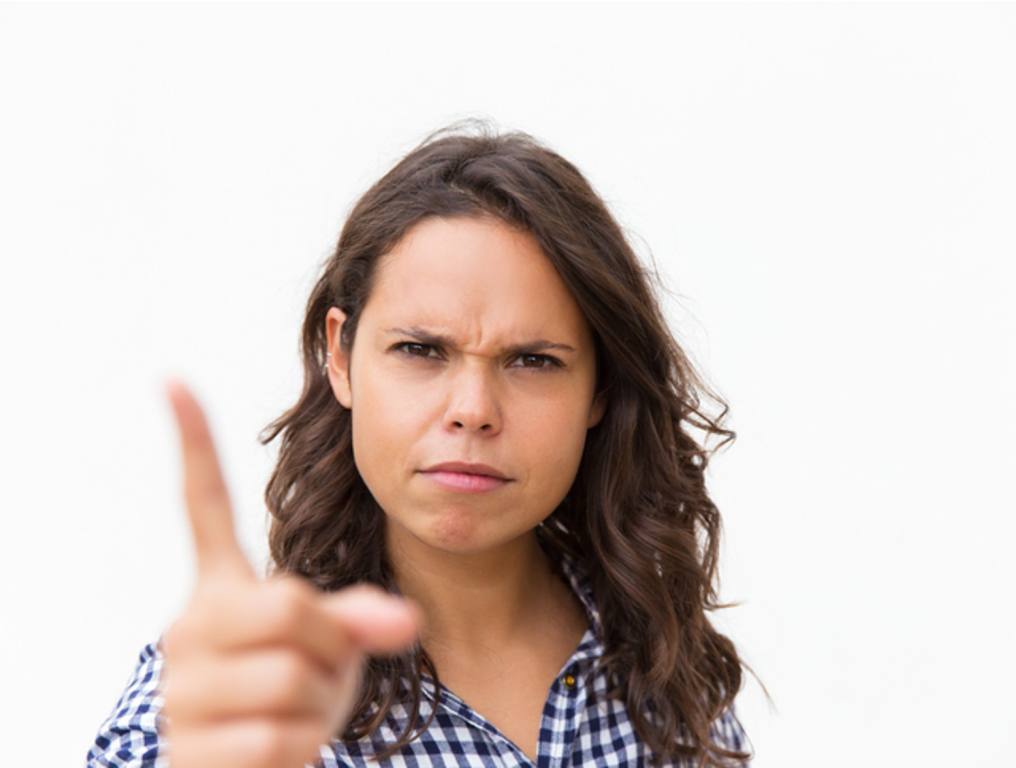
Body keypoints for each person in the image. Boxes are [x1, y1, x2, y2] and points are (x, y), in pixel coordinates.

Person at [85, 119, 761, 768]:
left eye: (532, 361)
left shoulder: (665, 664)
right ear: (341, 358)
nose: (472, 411)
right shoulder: (233, 705)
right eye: (419, 350)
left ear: (600, 390)